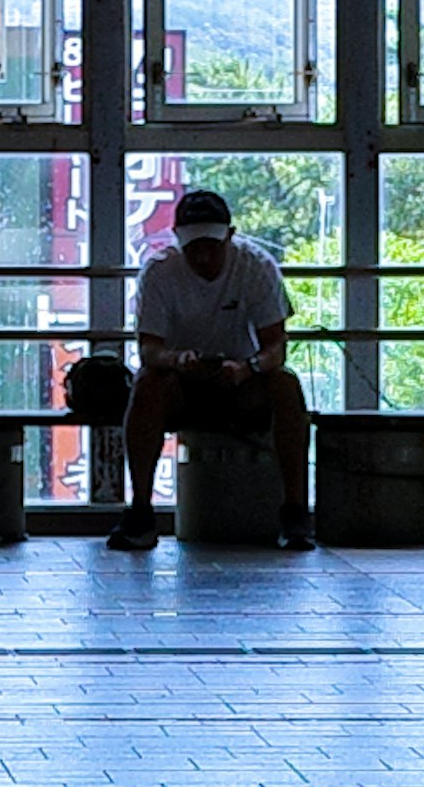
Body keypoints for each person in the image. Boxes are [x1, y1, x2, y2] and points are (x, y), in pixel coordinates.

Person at [112, 186, 314, 553]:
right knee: (147, 387)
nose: (203, 256)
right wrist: (179, 361)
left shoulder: (256, 267)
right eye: (194, 248)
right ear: (178, 242)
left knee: (286, 387)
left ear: (230, 237)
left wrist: (248, 368)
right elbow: (149, 349)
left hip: (241, 382)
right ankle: (141, 509)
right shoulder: (159, 273)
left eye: (212, 246)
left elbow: (276, 347)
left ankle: (296, 511)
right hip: (182, 385)